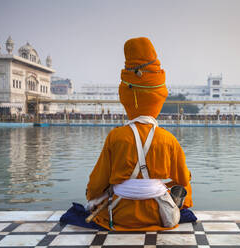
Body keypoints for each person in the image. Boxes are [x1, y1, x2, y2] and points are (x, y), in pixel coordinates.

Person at [85, 37, 193, 231]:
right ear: (159, 98)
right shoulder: (168, 139)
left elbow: (97, 183)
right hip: (158, 214)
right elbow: (183, 179)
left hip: (120, 214)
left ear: (126, 97)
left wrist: (94, 196)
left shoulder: (116, 137)